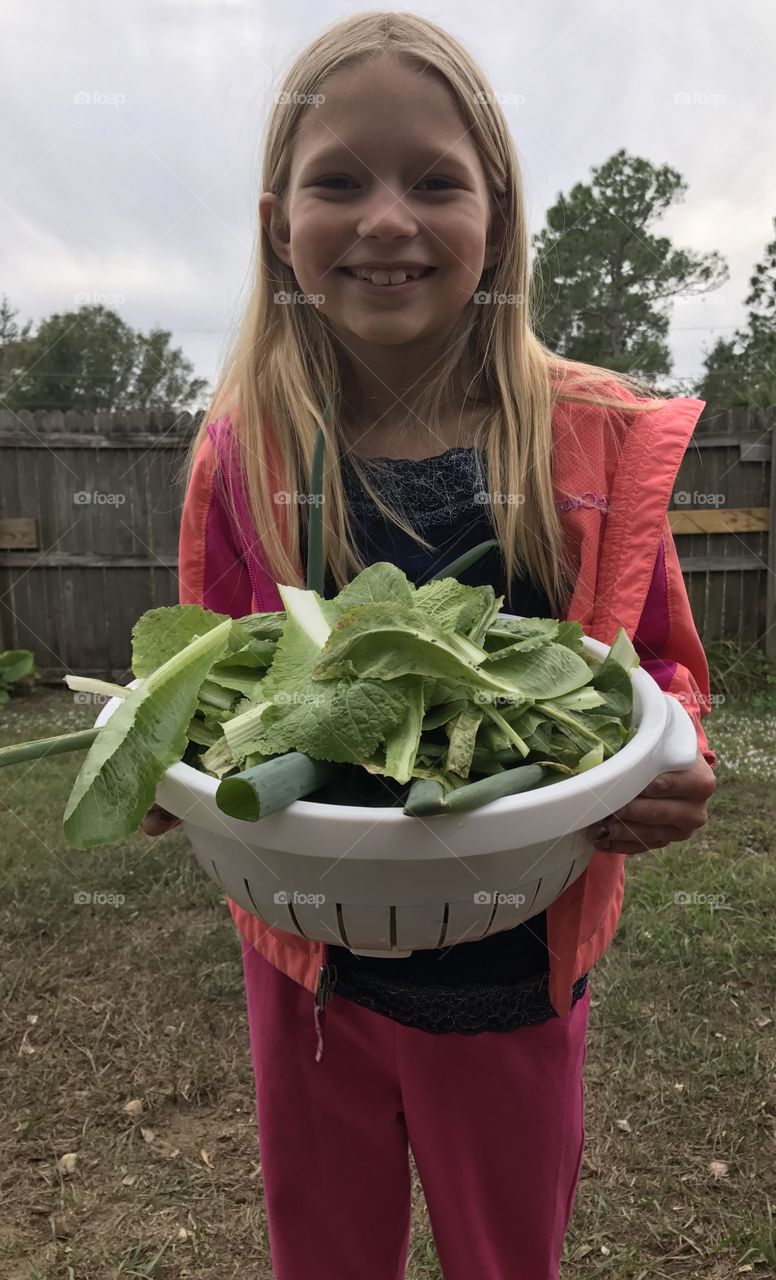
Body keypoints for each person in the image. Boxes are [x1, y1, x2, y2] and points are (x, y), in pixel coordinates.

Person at [143, 12, 717, 1278]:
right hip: (309, 971)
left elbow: (658, 671)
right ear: (274, 226)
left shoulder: (588, 442)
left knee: (507, 1252)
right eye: (338, 180)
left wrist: (673, 756)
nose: (386, 219)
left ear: (499, 222)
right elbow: (205, 679)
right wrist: (166, 768)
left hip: (516, 960)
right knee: (323, 1251)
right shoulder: (245, 455)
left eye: (434, 181)